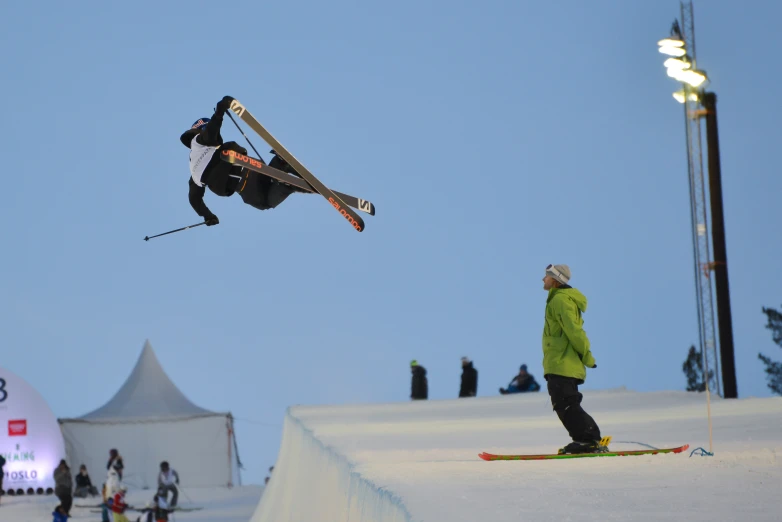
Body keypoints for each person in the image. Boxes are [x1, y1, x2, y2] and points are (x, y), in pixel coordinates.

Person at [180, 96, 300, 226]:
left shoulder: (195, 170)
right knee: (267, 194)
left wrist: (207, 215)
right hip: (249, 174)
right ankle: (282, 166)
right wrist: (219, 111)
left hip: (243, 182)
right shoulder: (198, 141)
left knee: (264, 201)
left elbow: (194, 198)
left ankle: (286, 179)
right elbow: (210, 132)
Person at [541, 264, 605, 454]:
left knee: (566, 404)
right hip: (560, 363)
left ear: (555, 280)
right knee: (564, 404)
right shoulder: (556, 300)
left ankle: (589, 439)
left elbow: (575, 331)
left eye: (546, 276)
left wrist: (587, 357)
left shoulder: (560, 301)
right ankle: (584, 439)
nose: (543, 279)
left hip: (563, 364)